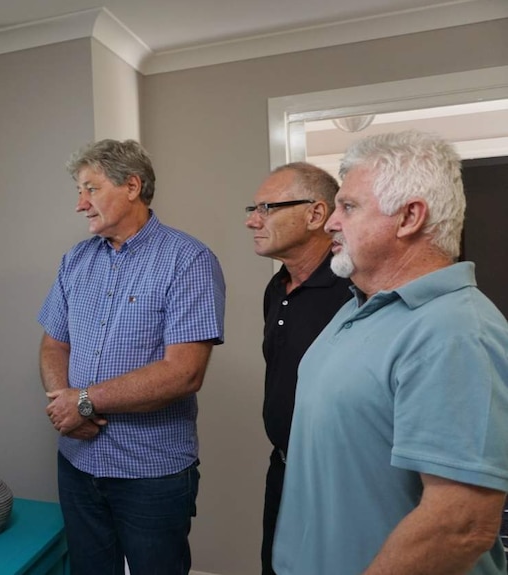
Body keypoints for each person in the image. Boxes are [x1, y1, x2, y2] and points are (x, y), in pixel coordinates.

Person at [273, 130, 508, 575]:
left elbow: (460, 524)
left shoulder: (456, 330)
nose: (329, 223)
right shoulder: (354, 307)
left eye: (349, 207)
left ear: (409, 217)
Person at [37, 139, 226, 575]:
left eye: (91, 188)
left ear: (132, 186)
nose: (80, 204)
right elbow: (54, 344)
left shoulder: (189, 260)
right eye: (78, 191)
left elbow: (184, 373)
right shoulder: (75, 261)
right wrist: (64, 401)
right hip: (78, 464)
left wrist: (84, 402)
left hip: (151, 473)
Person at [245, 162, 352, 575]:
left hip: (339, 479)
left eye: (267, 208)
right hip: (285, 469)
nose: (252, 220)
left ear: (315, 214)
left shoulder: (355, 290)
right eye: (253, 208)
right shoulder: (277, 289)